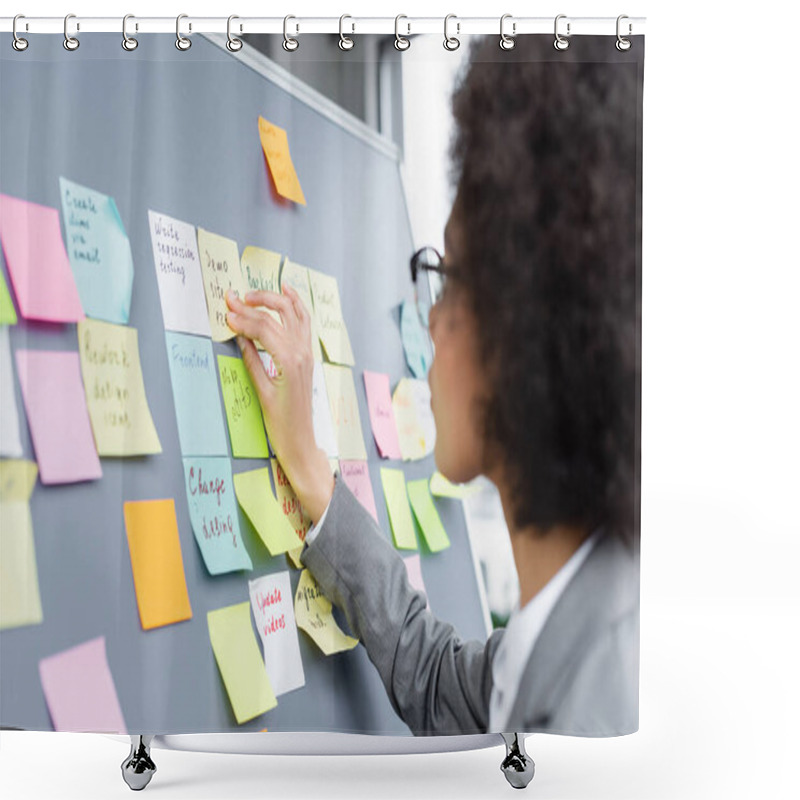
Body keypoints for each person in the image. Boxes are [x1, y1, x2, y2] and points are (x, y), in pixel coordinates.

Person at [225, 34, 640, 736]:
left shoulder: (601, 698)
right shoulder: (566, 631)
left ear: (523, 328)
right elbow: (433, 675)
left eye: (446, 280)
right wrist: (312, 475)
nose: (430, 317)